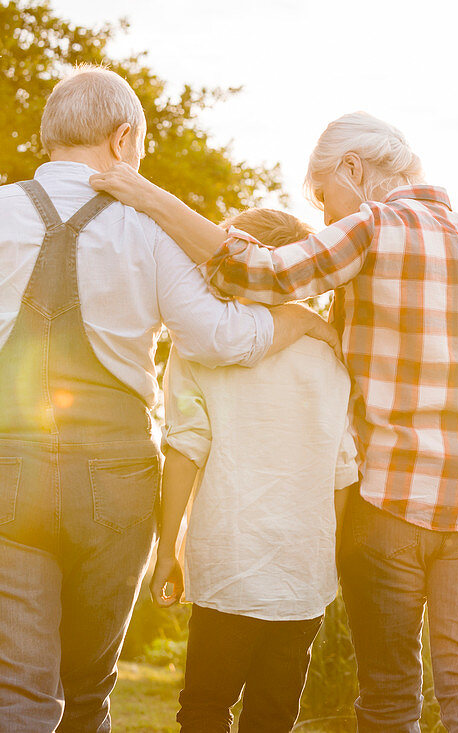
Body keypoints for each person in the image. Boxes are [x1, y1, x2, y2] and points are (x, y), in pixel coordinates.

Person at [0, 66, 334, 733]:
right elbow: (218, 337)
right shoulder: (149, 230)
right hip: (113, 482)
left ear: (50, 136)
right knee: (85, 695)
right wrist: (296, 321)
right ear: (123, 138)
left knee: (18, 694)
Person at [90, 111, 458, 733]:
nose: (329, 219)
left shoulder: (372, 228)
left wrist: (147, 195)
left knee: (390, 693)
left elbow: (259, 273)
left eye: (326, 197)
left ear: (353, 170)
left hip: (393, 498)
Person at [150, 207, 359, 733]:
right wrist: (324, 559)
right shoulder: (330, 355)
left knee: (204, 706)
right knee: (273, 715)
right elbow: (342, 472)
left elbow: (183, 451)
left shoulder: (200, 347)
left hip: (229, 561)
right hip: (302, 573)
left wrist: (166, 550)